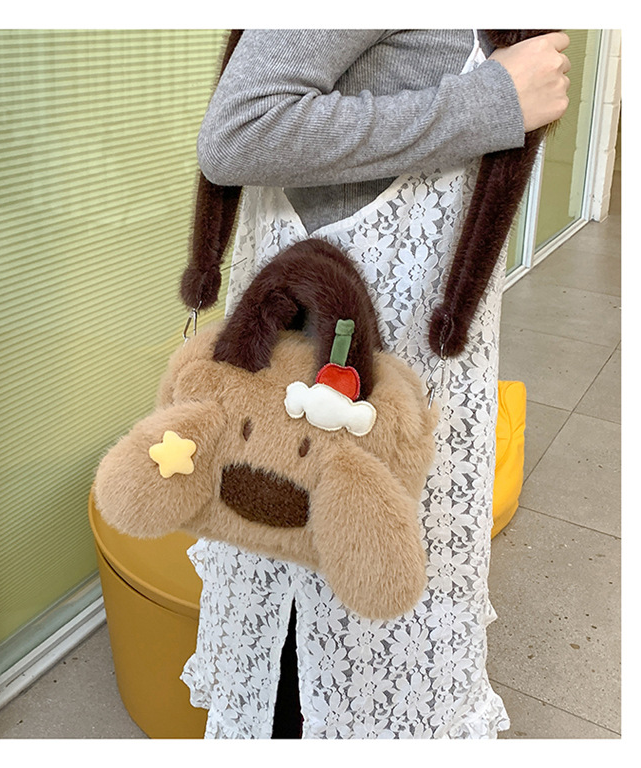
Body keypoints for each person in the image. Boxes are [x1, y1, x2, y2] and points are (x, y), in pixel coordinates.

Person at [180, 29, 570, 739]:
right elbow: (239, 129)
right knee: (312, 661)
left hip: (402, 396)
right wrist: (490, 103)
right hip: (325, 408)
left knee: (379, 624)